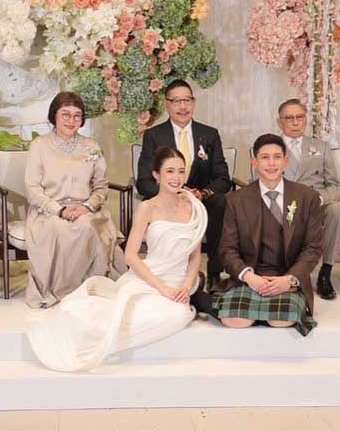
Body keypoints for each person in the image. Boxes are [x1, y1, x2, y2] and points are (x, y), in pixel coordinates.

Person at [25, 147, 207, 371]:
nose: (176, 177)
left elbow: (195, 256)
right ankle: (86, 331)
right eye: (170, 171)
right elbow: (131, 255)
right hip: (151, 278)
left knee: (178, 315)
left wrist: (186, 286)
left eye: (181, 171)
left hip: (180, 281)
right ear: (156, 175)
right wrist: (162, 288)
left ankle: (104, 334)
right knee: (130, 313)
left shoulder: (194, 207)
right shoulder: (147, 208)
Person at [214, 134, 324, 335]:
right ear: (254, 162)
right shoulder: (236, 200)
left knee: (280, 319)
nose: (271, 163)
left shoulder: (307, 197)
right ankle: (256, 311)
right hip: (251, 278)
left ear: (285, 160)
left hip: (288, 279)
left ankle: (263, 311)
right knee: (234, 320)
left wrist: (289, 279)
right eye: (265, 157)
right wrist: (249, 277)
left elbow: (313, 248)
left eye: (277, 157)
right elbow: (227, 249)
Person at [24, 92, 121, 308]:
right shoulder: (39, 145)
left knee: (87, 225)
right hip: (49, 212)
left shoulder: (91, 146)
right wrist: (59, 210)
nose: (71, 120)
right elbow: (33, 189)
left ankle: (89, 288)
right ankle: (64, 291)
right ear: (54, 115)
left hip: (86, 210)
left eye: (77, 115)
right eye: (65, 114)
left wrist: (87, 206)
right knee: (60, 228)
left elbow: (101, 185)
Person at [136, 79, 232, 288]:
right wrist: (173, 193)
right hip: (166, 200)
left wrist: (202, 194)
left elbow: (223, 178)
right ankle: (164, 273)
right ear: (166, 104)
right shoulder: (153, 135)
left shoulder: (209, 134)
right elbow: (143, 182)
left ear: (194, 103)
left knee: (221, 203)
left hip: (201, 200)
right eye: (176, 101)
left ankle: (214, 274)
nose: (182, 106)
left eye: (187, 100)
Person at [277, 98, 340, 300]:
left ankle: (325, 273)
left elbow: (334, 184)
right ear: (280, 122)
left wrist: (319, 198)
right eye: (289, 118)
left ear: (305, 119)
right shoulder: (272, 146)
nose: (295, 122)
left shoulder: (321, 146)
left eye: (299, 117)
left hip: (315, 204)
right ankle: (287, 272)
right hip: (284, 203)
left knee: (338, 209)